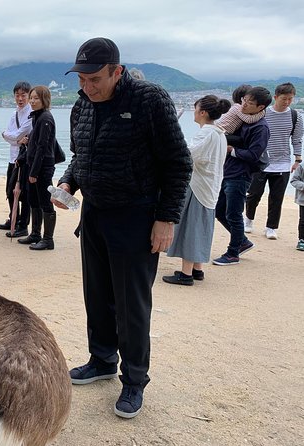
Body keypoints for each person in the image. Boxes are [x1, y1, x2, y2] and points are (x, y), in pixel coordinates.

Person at [59, 37, 192, 418]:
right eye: (81, 79)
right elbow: (80, 155)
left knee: (132, 304)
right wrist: (69, 182)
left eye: (95, 79)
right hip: (95, 213)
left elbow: (178, 163)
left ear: (117, 71)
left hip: (136, 215)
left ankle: (134, 380)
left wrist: (166, 219)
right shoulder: (83, 104)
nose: (87, 87)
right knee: (97, 294)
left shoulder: (149, 99)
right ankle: (101, 359)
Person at [163, 95, 231, 285]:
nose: (194, 112)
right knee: (201, 225)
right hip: (210, 185)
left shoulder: (207, 133)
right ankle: (197, 268)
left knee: (191, 226)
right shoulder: (219, 133)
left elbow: (188, 155)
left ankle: (186, 274)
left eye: (196, 109)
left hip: (198, 185)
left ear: (203, 112)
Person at [213, 86, 271, 265]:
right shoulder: (244, 119)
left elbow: (254, 155)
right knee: (220, 211)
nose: (244, 105)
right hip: (228, 171)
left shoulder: (261, 128)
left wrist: (231, 150)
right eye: (244, 100)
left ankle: (233, 254)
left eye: (250, 103)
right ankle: (242, 242)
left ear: (260, 107)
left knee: (234, 214)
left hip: (241, 175)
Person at [244, 83, 303, 240]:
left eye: (291, 99)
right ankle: (248, 220)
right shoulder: (263, 114)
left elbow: (297, 139)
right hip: (261, 161)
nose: (287, 102)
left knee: (277, 198)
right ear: (275, 97)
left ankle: (271, 227)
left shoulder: (295, 116)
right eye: (284, 98)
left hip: (283, 162)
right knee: (254, 194)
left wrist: (297, 160)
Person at [16, 85, 58, 250]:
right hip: (33, 165)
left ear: (44, 100)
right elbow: (34, 145)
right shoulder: (37, 117)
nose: (32, 101)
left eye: (36, 98)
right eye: (31, 98)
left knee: (45, 202)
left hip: (43, 168)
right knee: (33, 200)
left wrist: (34, 172)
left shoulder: (46, 118)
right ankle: (35, 233)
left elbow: (42, 147)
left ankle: (48, 239)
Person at [0, 81, 33, 238]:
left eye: (23, 95)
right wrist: (13, 137)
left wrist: (11, 136)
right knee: (10, 191)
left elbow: (18, 134)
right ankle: (14, 218)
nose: (20, 98)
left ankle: (23, 225)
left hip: (24, 158)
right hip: (13, 158)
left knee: (24, 193)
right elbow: (10, 135)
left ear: (29, 95)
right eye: (17, 95)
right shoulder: (14, 114)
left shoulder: (30, 113)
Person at [290, 162, 304, 251]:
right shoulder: (302, 166)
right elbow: (294, 180)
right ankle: (301, 240)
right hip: (303, 200)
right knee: (303, 221)